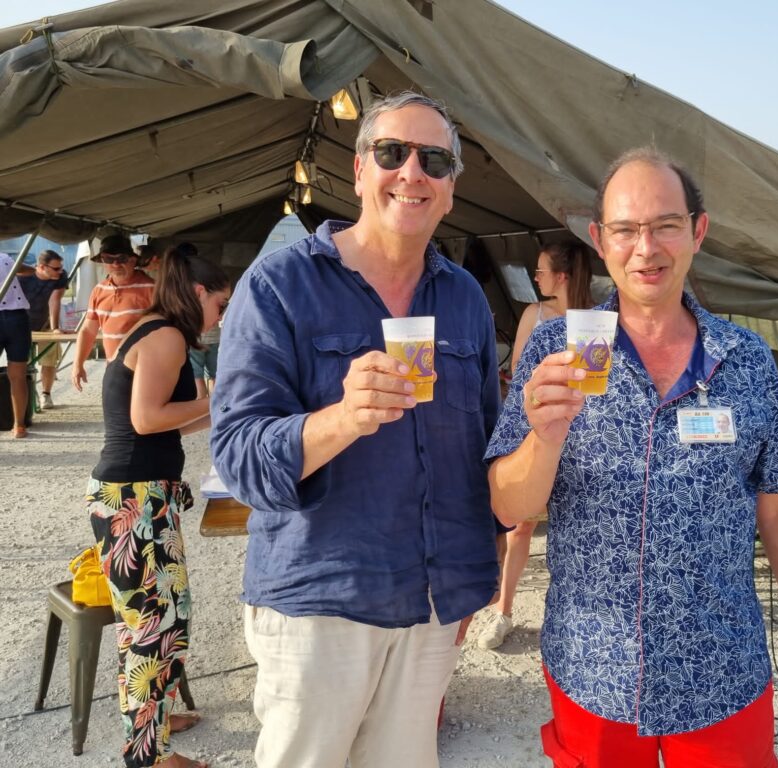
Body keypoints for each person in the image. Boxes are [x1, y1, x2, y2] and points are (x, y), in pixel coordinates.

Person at [486, 147, 778, 767]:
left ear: (697, 232)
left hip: (721, 673)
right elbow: (511, 505)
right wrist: (543, 436)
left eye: (665, 225)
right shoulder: (556, 349)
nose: (645, 248)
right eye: (625, 229)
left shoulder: (746, 360)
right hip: (595, 671)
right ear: (600, 239)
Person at [209, 91, 501, 768]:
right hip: (321, 602)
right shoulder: (279, 285)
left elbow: (479, 448)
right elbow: (239, 458)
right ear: (360, 169)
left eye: (435, 160)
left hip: (431, 603)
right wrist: (340, 420)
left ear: (452, 189)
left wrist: (470, 583)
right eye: (392, 153)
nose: (413, 172)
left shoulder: (462, 298)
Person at [87, 246, 230, 768]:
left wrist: (218, 410)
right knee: (155, 629)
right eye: (219, 303)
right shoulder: (167, 335)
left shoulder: (156, 327)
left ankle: (156, 722)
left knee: (156, 623)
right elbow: (147, 419)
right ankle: (151, 757)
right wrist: (219, 399)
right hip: (134, 500)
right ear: (197, 294)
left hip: (136, 495)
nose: (221, 315)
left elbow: (168, 419)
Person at [477, 240, 593, 650]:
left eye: (542, 272)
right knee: (520, 524)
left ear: (562, 276)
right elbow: (524, 375)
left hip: (586, 436)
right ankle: (504, 610)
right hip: (539, 427)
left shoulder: (598, 321)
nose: (536, 278)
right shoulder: (536, 314)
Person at [72, 234, 155, 391]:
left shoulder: (152, 289)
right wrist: (77, 364)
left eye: (121, 258)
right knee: (114, 416)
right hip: (113, 369)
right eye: (109, 259)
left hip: (146, 371)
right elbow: (88, 330)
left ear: (132, 260)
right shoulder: (98, 290)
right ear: (103, 262)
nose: (115, 264)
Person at [17, 250, 70, 409]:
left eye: (61, 267)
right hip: (21, 323)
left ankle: (46, 394)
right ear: (41, 267)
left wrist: (55, 328)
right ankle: (23, 399)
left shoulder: (61, 276)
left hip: (45, 323)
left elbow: (55, 300)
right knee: (20, 363)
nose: (60, 271)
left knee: (49, 358)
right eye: (55, 268)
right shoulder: (22, 277)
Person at [0, 251, 32, 437]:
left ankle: (19, 425)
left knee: (17, 375)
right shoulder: (5, 257)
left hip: (14, 317)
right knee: (18, 375)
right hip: (17, 317)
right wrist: (36, 270)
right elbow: (21, 269)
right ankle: (18, 426)